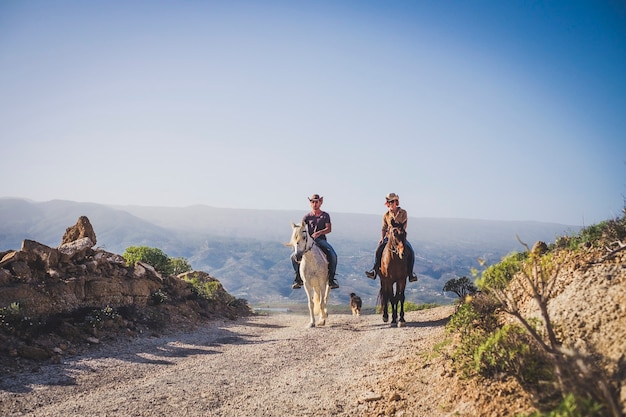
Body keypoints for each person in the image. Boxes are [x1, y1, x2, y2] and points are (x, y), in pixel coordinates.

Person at [365, 192, 418, 282]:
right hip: (389, 237)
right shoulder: (386, 215)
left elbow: (404, 226)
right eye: (389, 202)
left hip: (400, 237)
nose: (390, 203)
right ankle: (374, 270)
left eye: (392, 201)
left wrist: (399, 233)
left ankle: (410, 273)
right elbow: (384, 228)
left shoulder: (403, 213)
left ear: (396, 202)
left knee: (411, 251)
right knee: (378, 250)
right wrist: (382, 238)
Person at [291, 194, 339, 290]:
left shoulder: (325, 215)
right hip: (309, 241)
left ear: (320, 202)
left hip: (321, 240)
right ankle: (298, 278)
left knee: (333, 255)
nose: (314, 204)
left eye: (316, 202)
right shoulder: (307, 217)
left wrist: (319, 233)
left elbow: (329, 229)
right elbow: (302, 229)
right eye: (312, 202)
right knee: (293, 257)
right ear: (310, 203)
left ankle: (331, 279)